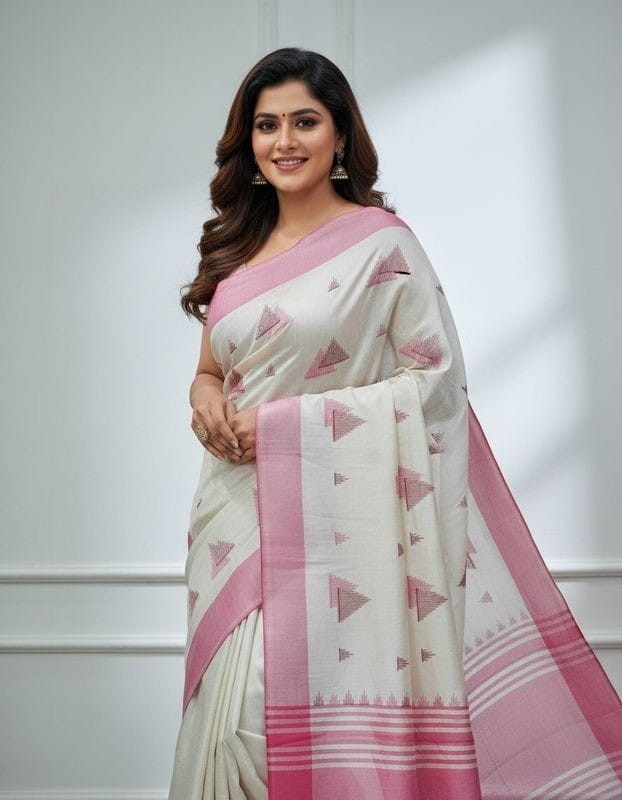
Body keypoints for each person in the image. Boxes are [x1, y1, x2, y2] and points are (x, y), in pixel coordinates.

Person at [168, 47, 622, 800]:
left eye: (305, 122)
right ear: (247, 141)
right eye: (267, 125)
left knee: (265, 715)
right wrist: (203, 397)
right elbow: (213, 368)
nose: (284, 141)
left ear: (340, 134)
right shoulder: (235, 249)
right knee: (225, 717)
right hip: (231, 514)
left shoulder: (381, 243)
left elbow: (434, 384)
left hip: (331, 520)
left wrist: (282, 428)